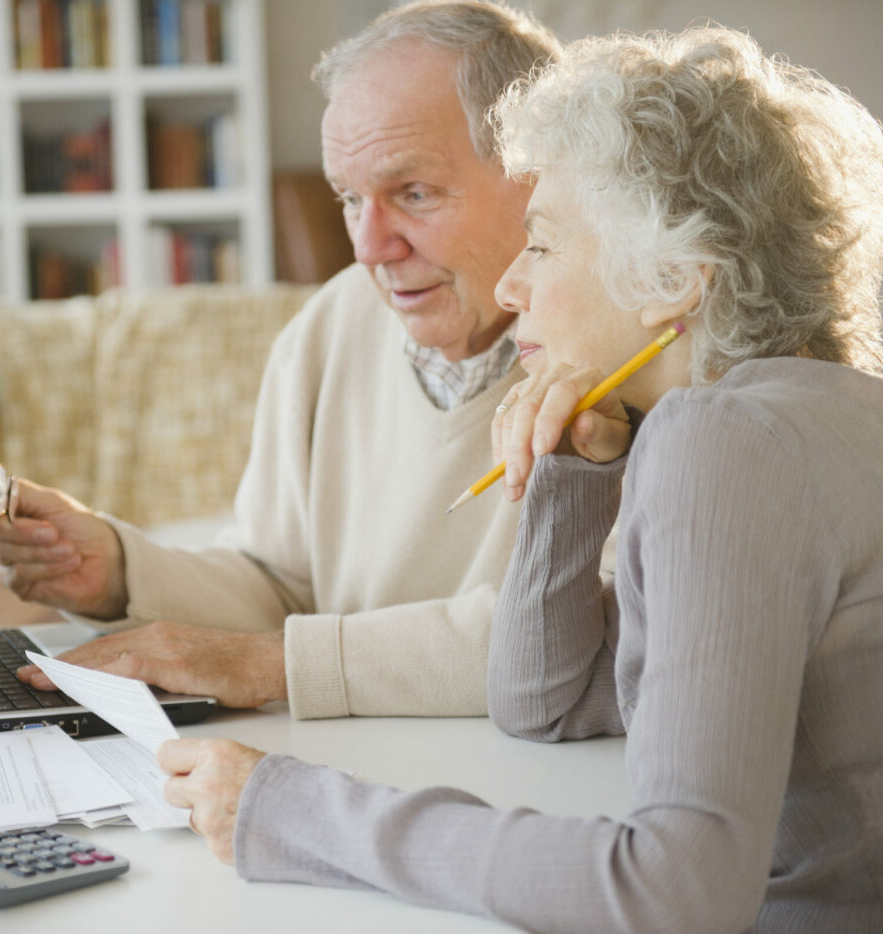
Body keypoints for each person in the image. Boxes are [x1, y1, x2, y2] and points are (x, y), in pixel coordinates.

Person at [157, 26, 883, 932]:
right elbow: (544, 698)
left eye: (541, 245)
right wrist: (575, 468)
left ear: (673, 281)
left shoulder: (723, 440)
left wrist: (292, 811)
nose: (512, 289)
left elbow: (672, 894)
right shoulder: (820, 416)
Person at [0, 2, 563, 719]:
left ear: (538, 172)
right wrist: (118, 573)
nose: (370, 247)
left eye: (413, 193)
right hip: (336, 769)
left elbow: (588, 631)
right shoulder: (330, 327)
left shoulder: (631, 353)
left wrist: (272, 664)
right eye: (349, 198)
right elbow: (277, 585)